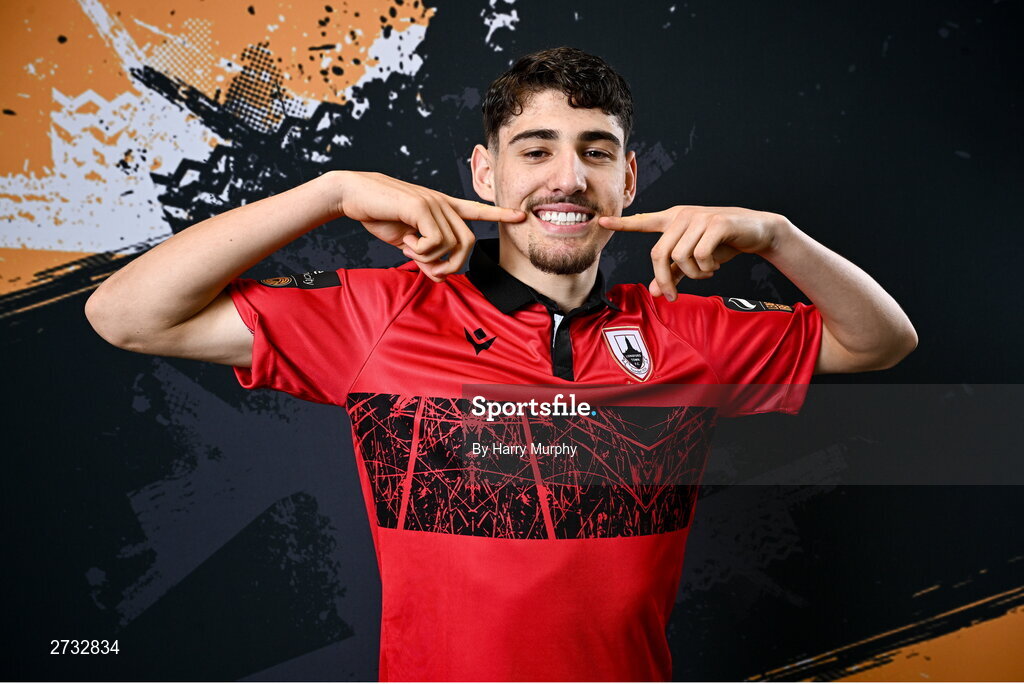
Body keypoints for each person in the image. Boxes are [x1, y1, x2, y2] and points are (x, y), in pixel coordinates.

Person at [85, 47, 916, 682]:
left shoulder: (684, 333)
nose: (568, 178)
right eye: (536, 149)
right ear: (485, 173)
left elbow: (882, 341)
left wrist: (778, 236)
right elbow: (124, 314)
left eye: (596, 152)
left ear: (627, 179)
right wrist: (330, 191)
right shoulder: (384, 313)